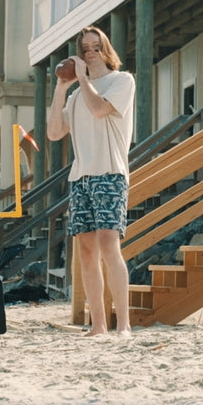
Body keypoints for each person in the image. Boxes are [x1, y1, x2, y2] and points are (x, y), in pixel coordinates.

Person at [47, 26, 135, 336]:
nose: (91, 52)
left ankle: (123, 325)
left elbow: (99, 110)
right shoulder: (74, 95)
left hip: (110, 172)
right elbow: (54, 133)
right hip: (81, 177)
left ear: (105, 49)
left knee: (109, 245)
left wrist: (83, 78)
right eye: (85, 48)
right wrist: (61, 89)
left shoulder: (122, 81)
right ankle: (98, 325)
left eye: (96, 47)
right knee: (85, 251)